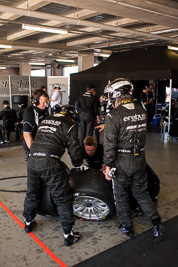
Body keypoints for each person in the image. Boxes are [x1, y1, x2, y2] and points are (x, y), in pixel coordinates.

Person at [103, 78, 164, 242]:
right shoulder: (141, 110)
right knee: (141, 192)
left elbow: (109, 144)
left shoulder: (113, 115)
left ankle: (127, 227)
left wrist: (108, 165)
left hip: (121, 161)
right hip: (140, 158)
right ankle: (156, 222)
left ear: (115, 94)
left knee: (121, 195)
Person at [23, 105, 88, 247]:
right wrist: (78, 164)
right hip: (50, 161)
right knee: (63, 198)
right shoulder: (70, 125)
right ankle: (68, 235)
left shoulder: (46, 119)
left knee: (32, 192)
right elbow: (74, 148)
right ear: (72, 117)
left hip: (32, 159)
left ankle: (28, 223)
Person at [22, 89, 49, 153]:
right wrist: (34, 152)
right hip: (34, 146)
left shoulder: (44, 111)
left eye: (47, 102)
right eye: (44, 102)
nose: (46, 104)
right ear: (36, 102)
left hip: (43, 144)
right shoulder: (29, 113)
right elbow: (26, 135)